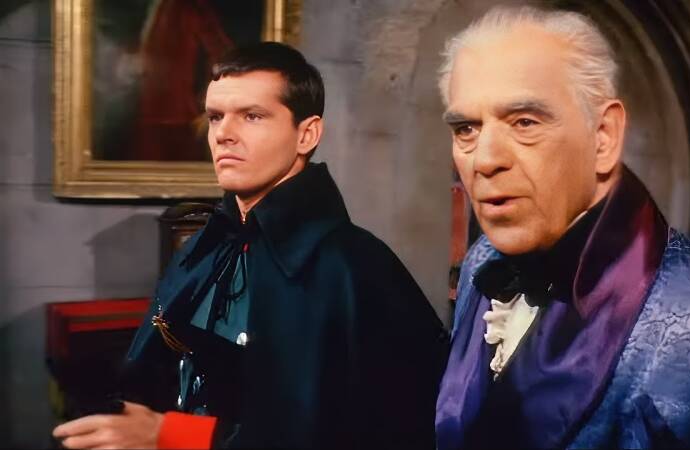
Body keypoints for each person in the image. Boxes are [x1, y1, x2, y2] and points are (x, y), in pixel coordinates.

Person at [434, 6, 690, 449]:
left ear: (603, 136)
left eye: (525, 123)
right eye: (466, 128)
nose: (486, 159)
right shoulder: (480, 263)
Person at [53, 41, 448, 449]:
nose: (223, 134)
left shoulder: (357, 267)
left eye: (252, 116)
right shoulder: (204, 249)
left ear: (306, 134)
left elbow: (356, 429)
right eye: (215, 117)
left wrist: (172, 434)